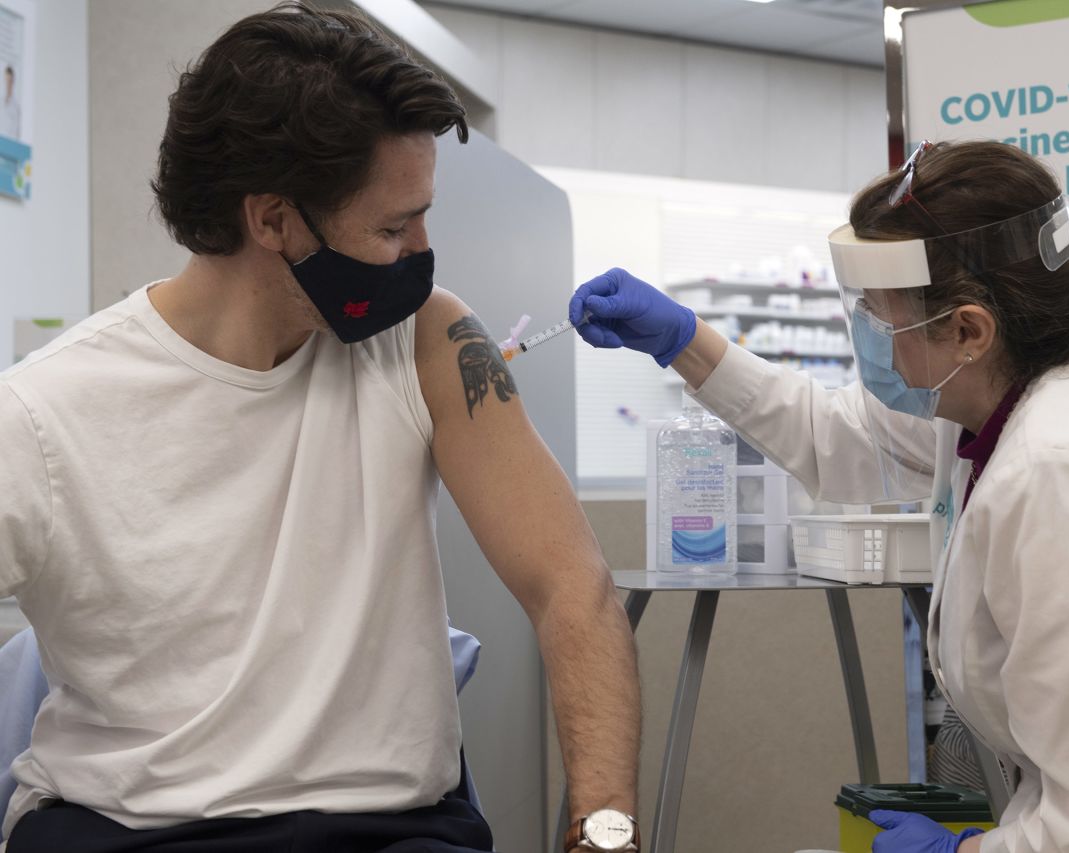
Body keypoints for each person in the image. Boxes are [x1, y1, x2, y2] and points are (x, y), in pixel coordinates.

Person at [0, 5, 641, 852]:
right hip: (136, 830)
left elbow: (573, 588)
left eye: (422, 213)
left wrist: (605, 832)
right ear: (271, 220)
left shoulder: (424, 345)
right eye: (390, 226)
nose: (422, 248)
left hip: (392, 830)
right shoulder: (44, 415)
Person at [570, 140, 1069, 852]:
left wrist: (958, 852)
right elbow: (837, 436)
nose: (869, 334)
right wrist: (684, 341)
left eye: (881, 315)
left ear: (968, 329)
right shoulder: (1015, 402)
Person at [1, 65, 19, 139]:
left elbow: (16, 132)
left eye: (10, 81)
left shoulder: (16, 107)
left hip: (9, 146)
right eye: (6, 80)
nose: (8, 84)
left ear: (13, 82)